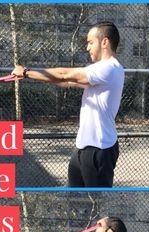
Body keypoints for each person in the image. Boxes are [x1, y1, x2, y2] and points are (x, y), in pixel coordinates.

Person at [12, 21, 124, 187]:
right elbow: (65, 81)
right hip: (82, 148)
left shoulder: (109, 68)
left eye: (90, 43)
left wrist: (27, 72)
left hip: (100, 150)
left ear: (105, 42)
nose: (87, 48)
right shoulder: (99, 70)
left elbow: (65, 74)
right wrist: (32, 76)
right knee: (73, 194)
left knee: (97, 195)